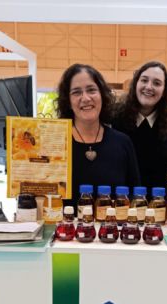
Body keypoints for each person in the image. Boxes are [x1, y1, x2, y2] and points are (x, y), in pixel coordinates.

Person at [56, 63, 140, 205]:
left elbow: (135, 195)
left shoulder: (122, 143)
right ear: (68, 101)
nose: (85, 98)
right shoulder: (55, 143)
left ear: (102, 95)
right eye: (76, 92)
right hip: (63, 220)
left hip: (114, 220)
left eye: (91, 90)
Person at [111, 61, 167, 191]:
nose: (149, 87)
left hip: (158, 200)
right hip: (121, 199)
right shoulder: (114, 118)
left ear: (164, 90)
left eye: (157, 83)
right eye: (144, 80)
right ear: (135, 84)